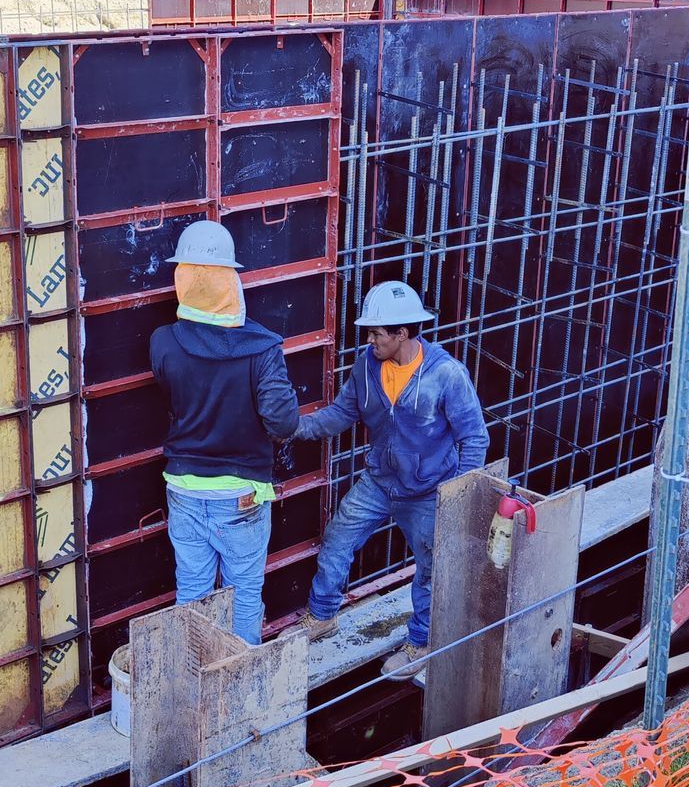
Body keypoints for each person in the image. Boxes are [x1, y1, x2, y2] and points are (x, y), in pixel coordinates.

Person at [289, 281, 488, 677]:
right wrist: (296, 427)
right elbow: (342, 413)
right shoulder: (367, 365)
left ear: (403, 333)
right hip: (380, 482)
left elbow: (475, 439)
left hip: (430, 491)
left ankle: (421, 642)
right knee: (339, 537)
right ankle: (322, 614)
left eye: (378, 332)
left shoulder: (447, 375)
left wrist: (458, 496)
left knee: (431, 567)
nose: (370, 338)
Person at [149, 220, 299, 645]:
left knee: (192, 595)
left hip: (183, 486)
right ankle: (239, 691)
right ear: (231, 280)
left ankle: (189, 686)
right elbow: (283, 422)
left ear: (183, 278)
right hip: (242, 493)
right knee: (244, 593)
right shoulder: (263, 347)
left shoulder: (162, 342)